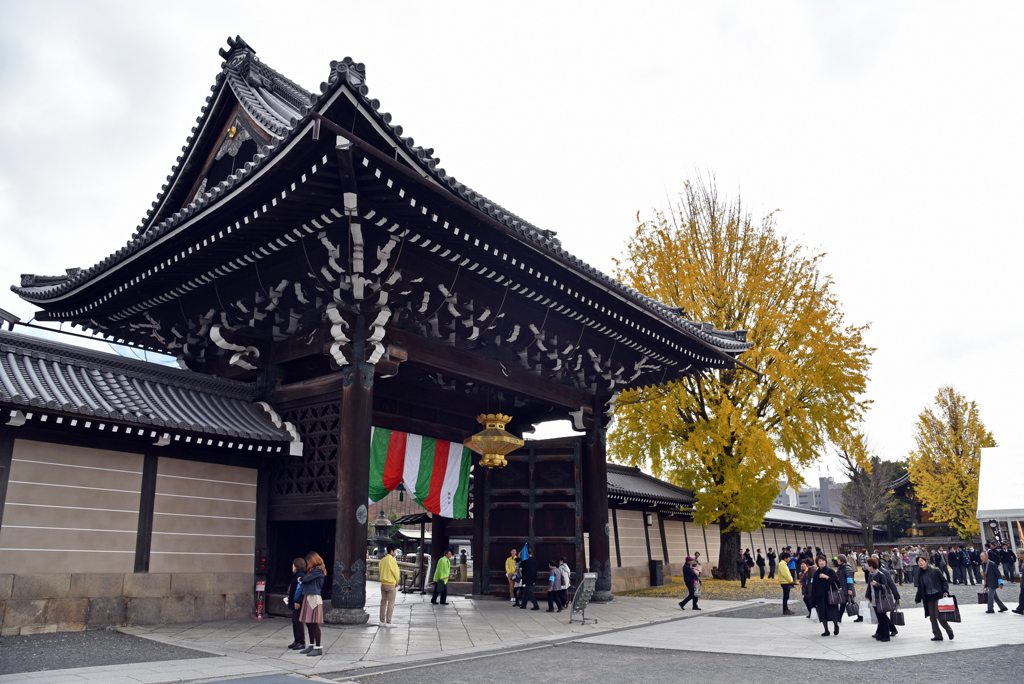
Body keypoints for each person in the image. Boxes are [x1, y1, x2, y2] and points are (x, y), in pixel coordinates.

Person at [913, 555, 953, 642]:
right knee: (932, 617)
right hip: (928, 596)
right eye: (918, 562)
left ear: (926, 561)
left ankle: (949, 631)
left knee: (939, 615)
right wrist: (917, 598)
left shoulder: (935, 570)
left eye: (922, 561)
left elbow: (944, 581)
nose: (920, 563)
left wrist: (945, 590)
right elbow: (920, 588)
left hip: (938, 594)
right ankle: (937, 635)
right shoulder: (920, 574)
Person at [295, 552, 325, 656]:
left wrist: (301, 579)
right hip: (308, 596)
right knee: (308, 622)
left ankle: (318, 647)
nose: (307, 564)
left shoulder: (319, 569)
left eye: (308, 562)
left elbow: (306, 579)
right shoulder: (314, 570)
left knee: (314, 623)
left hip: (314, 597)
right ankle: (312, 645)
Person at [865, 557, 899, 642]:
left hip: (881, 599)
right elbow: (869, 586)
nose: (866, 566)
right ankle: (882, 633)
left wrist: (877, 584)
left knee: (883, 617)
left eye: (867, 564)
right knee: (880, 618)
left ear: (871, 566)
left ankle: (886, 635)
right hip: (874, 599)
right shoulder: (871, 574)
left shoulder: (881, 574)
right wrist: (868, 595)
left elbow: (886, 586)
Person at [811, 555, 841, 636]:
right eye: (820, 561)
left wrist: (826, 577)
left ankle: (836, 625)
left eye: (823, 560)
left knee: (833, 612)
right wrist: (814, 599)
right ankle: (826, 630)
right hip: (821, 597)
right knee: (823, 614)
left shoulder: (830, 571)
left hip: (830, 596)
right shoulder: (816, 573)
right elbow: (814, 587)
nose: (822, 562)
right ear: (817, 563)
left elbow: (836, 582)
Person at [286, 557, 307, 650]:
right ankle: (296, 640)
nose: (292, 567)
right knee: (294, 621)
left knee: (298, 621)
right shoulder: (296, 575)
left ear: (296, 566)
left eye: (293, 565)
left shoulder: (301, 575)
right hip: (294, 600)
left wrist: (297, 601)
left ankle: (301, 641)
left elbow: (300, 589)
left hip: (298, 601)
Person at [379, 543, 400, 627]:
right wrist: (397, 581)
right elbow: (396, 572)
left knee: (383, 602)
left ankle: (382, 621)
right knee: (391, 603)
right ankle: (388, 621)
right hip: (391, 584)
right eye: (395, 551)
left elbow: (380, 571)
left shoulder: (382, 560)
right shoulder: (392, 560)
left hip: (383, 583)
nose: (396, 552)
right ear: (392, 551)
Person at [835, 554, 855, 620]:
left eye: (838, 559)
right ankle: (860, 616)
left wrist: (850, 589)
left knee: (844, 603)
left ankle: (839, 618)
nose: (837, 560)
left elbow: (849, 579)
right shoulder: (841, 567)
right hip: (843, 588)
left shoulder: (847, 567)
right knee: (849, 602)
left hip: (847, 589)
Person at [1013, 549, 1024, 614]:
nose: (1017, 555)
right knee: (1022, 596)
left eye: (1018, 553)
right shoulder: (1020, 561)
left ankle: (1020, 608)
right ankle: (1020, 609)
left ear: (1023, 554)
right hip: (1023, 582)